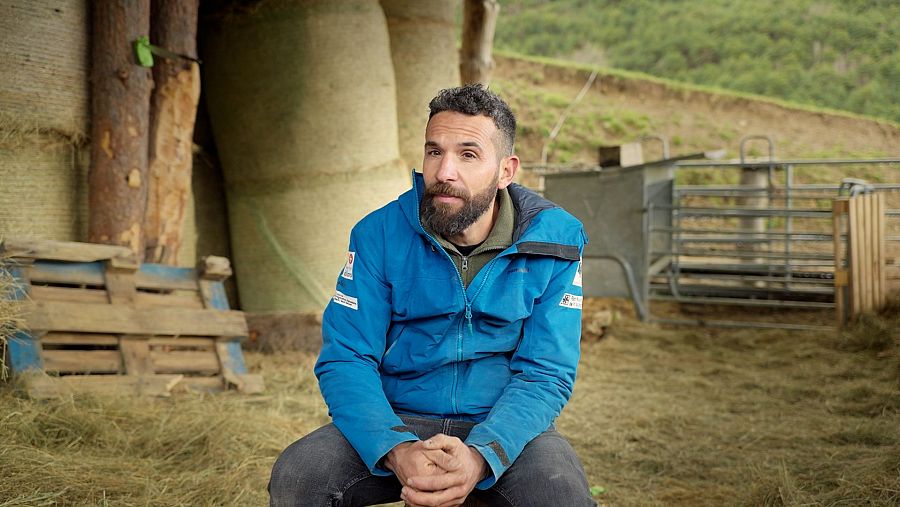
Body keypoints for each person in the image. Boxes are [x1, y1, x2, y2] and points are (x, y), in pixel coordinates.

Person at [269, 84, 594, 507]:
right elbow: (347, 358)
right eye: (434, 151)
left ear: (505, 171)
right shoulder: (378, 234)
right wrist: (398, 450)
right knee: (299, 476)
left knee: (560, 491)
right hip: (396, 418)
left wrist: (481, 456)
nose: (444, 172)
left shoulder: (556, 242)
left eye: (468, 154)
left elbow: (545, 372)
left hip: (502, 424)